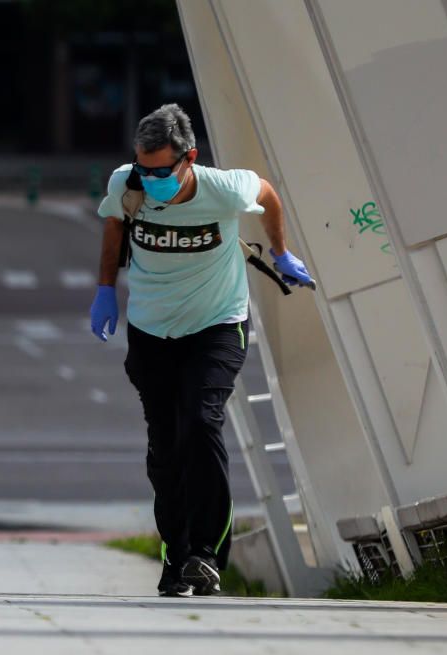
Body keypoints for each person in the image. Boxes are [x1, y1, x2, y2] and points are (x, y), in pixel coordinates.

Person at [89, 104, 314, 597]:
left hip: (216, 325)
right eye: (143, 170)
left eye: (161, 171)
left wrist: (280, 252)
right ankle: (176, 555)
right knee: (166, 449)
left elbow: (268, 195)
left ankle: (206, 555)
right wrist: (106, 288)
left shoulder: (224, 187)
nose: (150, 181)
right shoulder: (126, 184)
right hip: (150, 330)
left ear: (189, 158)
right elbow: (112, 227)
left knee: (200, 422)